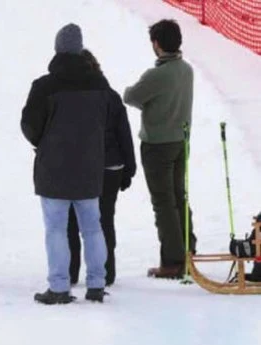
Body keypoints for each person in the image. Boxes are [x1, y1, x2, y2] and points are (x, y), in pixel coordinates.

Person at [21, 23, 109, 304]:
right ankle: (96, 284)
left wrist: (43, 142)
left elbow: (29, 125)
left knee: (56, 229)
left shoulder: (44, 86)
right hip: (89, 166)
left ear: (57, 49)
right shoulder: (99, 84)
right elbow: (105, 121)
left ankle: (59, 286)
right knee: (93, 228)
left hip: (54, 167)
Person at [123, 19, 196, 279]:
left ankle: (173, 260)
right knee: (179, 196)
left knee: (163, 203)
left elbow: (130, 96)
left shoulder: (157, 75)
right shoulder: (186, 70)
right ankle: (188, 248)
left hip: (157, 146)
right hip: (180, 141)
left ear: (157, 43)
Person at [68, 49, 136, 287]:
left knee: (73, 219)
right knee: (105, 219)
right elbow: (124, 135)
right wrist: (129, 168)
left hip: (83, 166)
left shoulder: (75, 98)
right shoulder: (111, 96)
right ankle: (107, 271)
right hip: (112, 166)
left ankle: (70, 270)